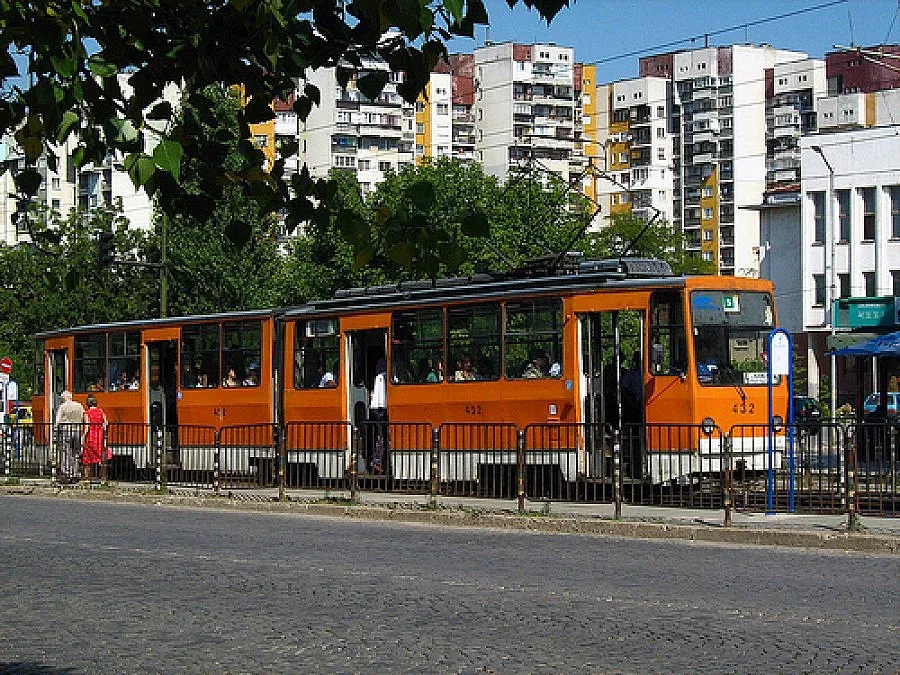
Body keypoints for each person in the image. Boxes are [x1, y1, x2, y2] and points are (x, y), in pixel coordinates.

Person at [55, 390, 84, 485]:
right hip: (77, 430)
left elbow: (58, 421)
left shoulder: (63, 407)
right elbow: (84, 417)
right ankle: (74, 473)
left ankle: (66, 473)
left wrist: (56, 429)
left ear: (64, 398)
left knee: (65, 452)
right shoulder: (79, 405)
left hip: (66, 430)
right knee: (75, 452)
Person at [81, 393, 108, 481]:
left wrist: (83, 437)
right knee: (101, 457)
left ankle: (87, 478)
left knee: (87, 459)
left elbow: (87, 426)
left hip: (91, 436)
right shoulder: (101, 411)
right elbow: (106, 423)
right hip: (99, 436)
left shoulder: (87, 413)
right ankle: (102, 477)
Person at [369, 358, 388, 473]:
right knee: (382, 436)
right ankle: (377, 461)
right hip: (380, 409)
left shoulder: (381, 377)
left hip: (379, 408)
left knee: (381, 436)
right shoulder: (382, 377)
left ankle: (378, 461)